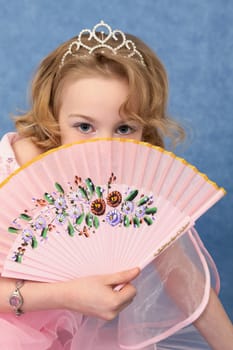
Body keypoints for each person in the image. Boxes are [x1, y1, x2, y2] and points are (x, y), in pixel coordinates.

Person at [0, 20, 232, 350]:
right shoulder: (14, 170)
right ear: (54, 116)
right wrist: (65, 295)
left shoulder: (130, 183)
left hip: (74, 331)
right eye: (84, 126)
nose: (104, 147)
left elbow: (182, 276)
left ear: (145, 128)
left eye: (124, 129)